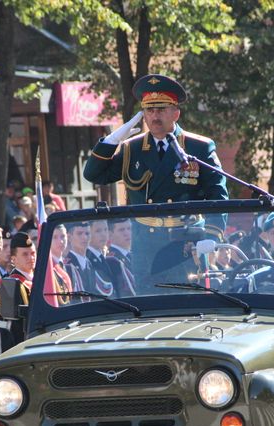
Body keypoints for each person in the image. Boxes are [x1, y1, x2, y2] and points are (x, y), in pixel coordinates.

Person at [83, 74, 228, 285]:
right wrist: (111, 141)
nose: (154, 116)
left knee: (189, 306)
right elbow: (94, 175)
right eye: (149, 110)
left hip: (186, 243)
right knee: (149, 307)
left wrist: (212, 235)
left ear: (175, 113)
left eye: (161, 109)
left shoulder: (198, 147)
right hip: (146, 243)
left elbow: (218, 194)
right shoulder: (131, 149)